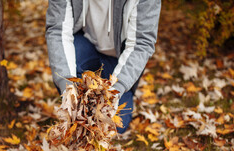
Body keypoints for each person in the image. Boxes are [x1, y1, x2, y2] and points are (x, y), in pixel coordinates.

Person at [45, 0, 161, 133]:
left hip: (118, 61)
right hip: (85, 47)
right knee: (81, 120)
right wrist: (66, 84)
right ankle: (77, 105)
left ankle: (115, 97)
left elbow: (142, 43)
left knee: (114, 126)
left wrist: (117, 88)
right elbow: (57, 31)